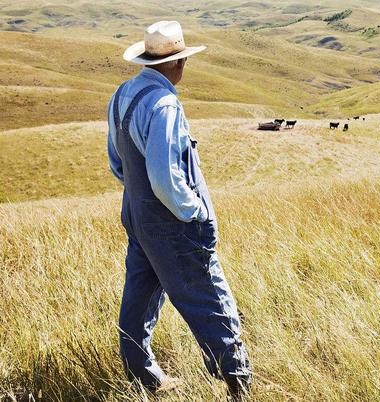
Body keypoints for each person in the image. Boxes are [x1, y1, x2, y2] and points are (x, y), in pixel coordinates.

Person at [106, 20, 251, 400]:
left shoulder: (123, 94)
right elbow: (165, 178)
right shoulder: (165, 104)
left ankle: (145, 378)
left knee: (138, 299)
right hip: (173, 225)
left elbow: (118, 164)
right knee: (208, 298)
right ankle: (239, 384)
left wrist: (143, 204)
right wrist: (194, 212)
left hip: (138, 218)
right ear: (177, 64)